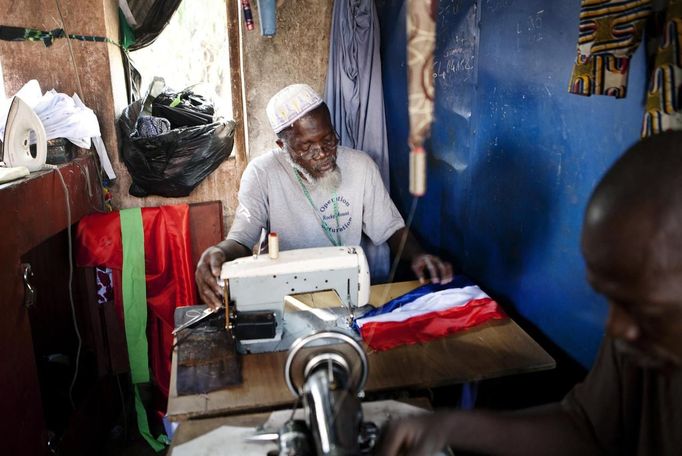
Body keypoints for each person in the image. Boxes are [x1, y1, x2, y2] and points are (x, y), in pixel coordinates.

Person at [379, 131, 682, 456]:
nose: (615, 327)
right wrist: (444, 426)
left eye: (644, 311)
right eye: (608, 299)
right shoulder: (637, 338)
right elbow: (585, 426)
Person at [196, 83, 453, 309]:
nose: (323, 153)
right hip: (287, 297)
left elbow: (391, 229)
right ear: (282, 146)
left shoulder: (361, 166)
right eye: (306, 147)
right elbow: (241, 239)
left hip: (347, 293)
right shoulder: (262, 173)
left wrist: (419, 255)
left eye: (329, 139)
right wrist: (217, 253)